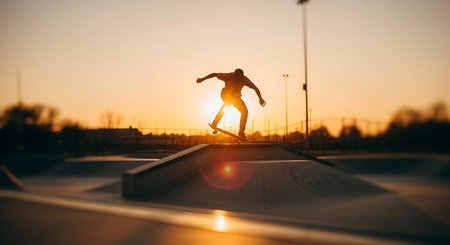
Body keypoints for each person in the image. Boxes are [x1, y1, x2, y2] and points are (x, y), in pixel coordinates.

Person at [197, 68, 266, 140]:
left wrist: (260, 99)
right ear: (234, 75)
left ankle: (241, 132)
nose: (238, 80)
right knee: (228, 102)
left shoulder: (245, 80)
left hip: (236, 98)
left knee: (244, 111)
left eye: (239, 78)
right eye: (236, 78)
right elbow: (214, 74)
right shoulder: (228, 76)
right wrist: (202, 79)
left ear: (242, 76)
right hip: (225, 94)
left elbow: (255, 88)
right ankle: (215, 122)